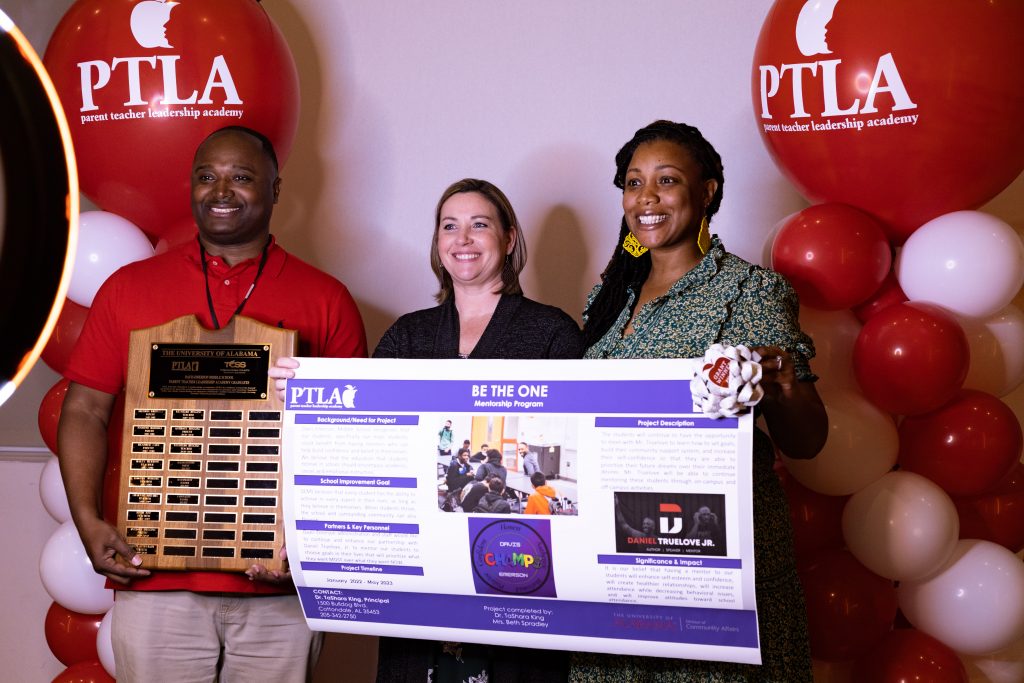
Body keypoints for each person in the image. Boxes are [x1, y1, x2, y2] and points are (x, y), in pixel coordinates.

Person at [57, 126, 368, 683]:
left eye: (241, 177)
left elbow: (353, 442)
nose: (221, 190)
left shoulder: (326, 299)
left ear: (276, 188)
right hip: (154, 581)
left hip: (280, 589)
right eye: (207, 177)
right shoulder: (128, 288)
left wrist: (313, 547)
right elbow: (84, 411)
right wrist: (86, 520)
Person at [272, 178, 582, 682]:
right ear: (437, 243)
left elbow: (574, 439)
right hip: (419, 576)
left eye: (479, 225)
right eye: (449, 226)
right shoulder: (407, 334)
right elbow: (365, 441)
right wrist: (305, 401)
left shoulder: (552, 332)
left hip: (517, 570)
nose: (463, 239)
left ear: (508, 238)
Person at [571, 121, 827, 682]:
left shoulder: (750, 291)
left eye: (666, 180)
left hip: (712, 559)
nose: (647, 198)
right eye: (634, 183)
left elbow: (807, 443)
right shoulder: (609, 296)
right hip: (616, 558)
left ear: (707, 191)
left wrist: (783, 383)